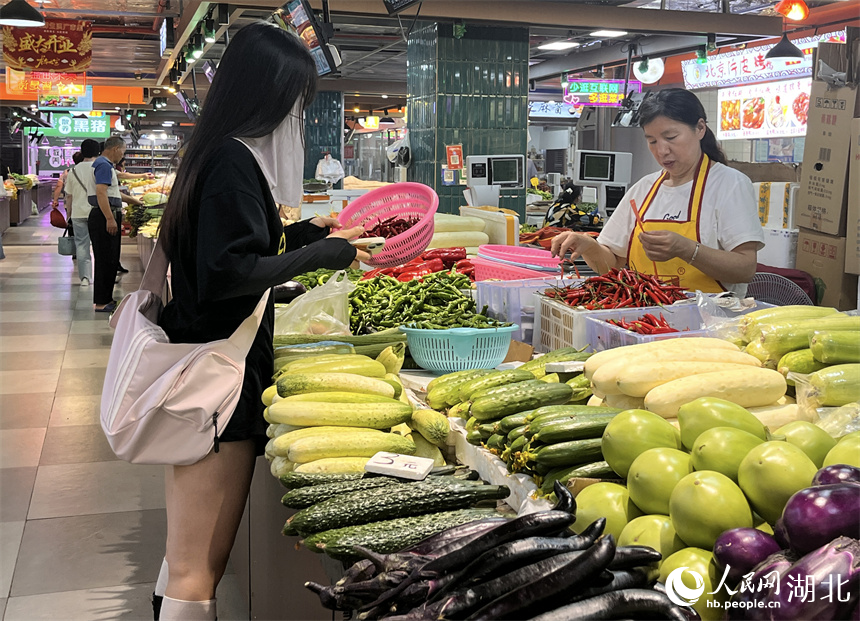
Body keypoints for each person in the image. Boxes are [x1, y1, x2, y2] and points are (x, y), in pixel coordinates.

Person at [154, 22, 368, 621]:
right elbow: (227, 271)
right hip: (215, 382)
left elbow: (243, 244)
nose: (297, 116)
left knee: (190, 559)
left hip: (219, 371)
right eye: (296, 101)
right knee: (198, 564)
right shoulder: (230, 161)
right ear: (267, 94)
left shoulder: (222, 154)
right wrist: (325, 254)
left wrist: (309, 233)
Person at [551, 89, 764, 296]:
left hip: (710, 325)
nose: (661, 150)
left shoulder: (729, 184)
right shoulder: (644, 189)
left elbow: (745, 268)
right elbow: (612, 265)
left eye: (670, 137)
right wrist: (588, 246)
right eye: (652, 141)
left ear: (700, 128)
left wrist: (688, 250)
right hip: (648, 323)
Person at [87, 135, 126, 312]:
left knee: (110, 259)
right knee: (105, 259)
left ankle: (106, 299)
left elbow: (112, 193)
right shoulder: (103, 165)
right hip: (103, 216)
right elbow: (101, 193)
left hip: (105, 214)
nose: (122, 156)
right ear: (116, 149)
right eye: (123, 151)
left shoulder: (104, 165)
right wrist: (110, 218)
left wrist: (136, 202)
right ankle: (102, 302)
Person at [63, 143, 98, 286]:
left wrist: (69, 214)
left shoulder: (73, 171)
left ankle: (85, 278)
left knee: (82, 245)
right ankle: (102, 275)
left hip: (78, 213)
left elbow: (69, 196)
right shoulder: (99, 168)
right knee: (99, 245)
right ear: (98, 152)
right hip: (96, 212)